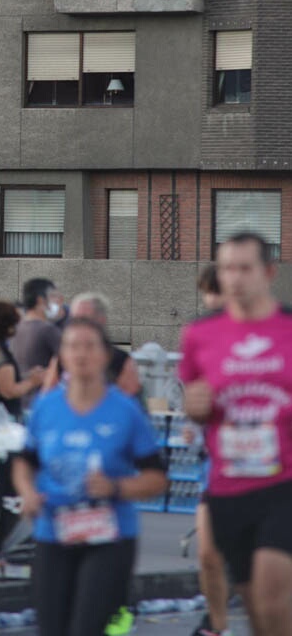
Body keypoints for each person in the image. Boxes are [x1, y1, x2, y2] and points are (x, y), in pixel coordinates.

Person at [12, 318, 166, 636]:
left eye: (89, 346)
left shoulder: (125, 411)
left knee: (87, 627)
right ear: (61, 356)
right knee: (52, 627)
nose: (80, 354)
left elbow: (157, 478)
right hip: (54, 531)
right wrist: (27, 492)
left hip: (108, 537)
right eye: (72, 346)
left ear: (105, 355)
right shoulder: (46, 406)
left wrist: (116, 486)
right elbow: (25, 462)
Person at [180, 232, 292, 636]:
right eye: (227, 268)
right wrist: (196, 410)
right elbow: (197, 404)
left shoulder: (289, 328)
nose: (235, 278)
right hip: (228, 485)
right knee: (257, 607)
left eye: (245, 268)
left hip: (283, 482)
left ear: (268, 272)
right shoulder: (199, 335)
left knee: (273, 589)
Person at [187, 264, 231, 636]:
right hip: (218, 464)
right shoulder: (200, 338)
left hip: (275, 469)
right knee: (208, 553)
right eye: (208, 292)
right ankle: (215, 625)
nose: (212, 300)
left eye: (218, 291)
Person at [0, 301, 46, 417]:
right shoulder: (0, 354)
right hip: (3, 418)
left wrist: (25, 376)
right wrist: (32, 381)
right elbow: (8, 390)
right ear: (10, 327)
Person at [70, 292, 141, 397]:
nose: (80, 326)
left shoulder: (121, 360)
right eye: (75, 320)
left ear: (101, 320)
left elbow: (132, 399)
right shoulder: (62, 357)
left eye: (85, 320)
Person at [10, 278, 63, 385]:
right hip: (45, 397)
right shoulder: (48, 330)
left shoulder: (16, 329)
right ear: (40, 300)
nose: (58, 301)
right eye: (53, 296)